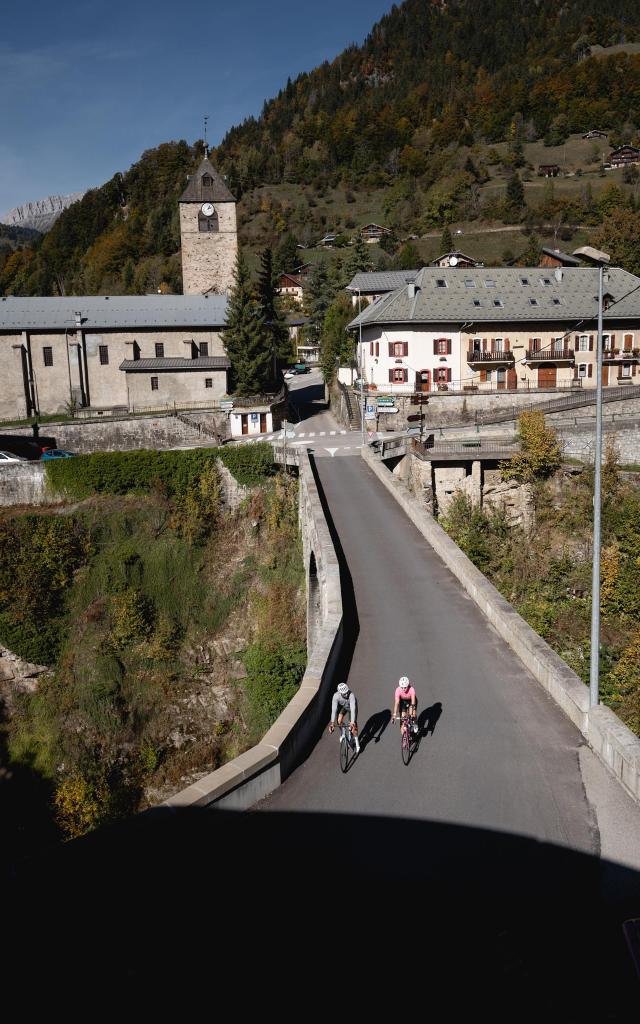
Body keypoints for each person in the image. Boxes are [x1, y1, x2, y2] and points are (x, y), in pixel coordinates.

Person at [329, 682, 360, 753]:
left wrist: (352, 722)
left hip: (352, 709)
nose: (346, 695)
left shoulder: (351, 695)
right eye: (344, 694)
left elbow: (352, 708)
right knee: (339, 721)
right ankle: (343, 732)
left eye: (347, 692)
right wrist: (332, 723)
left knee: (353, 727)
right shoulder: (336, 696)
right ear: (339, 693)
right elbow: (334, 710)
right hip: (345, 707)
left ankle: (357, 743)